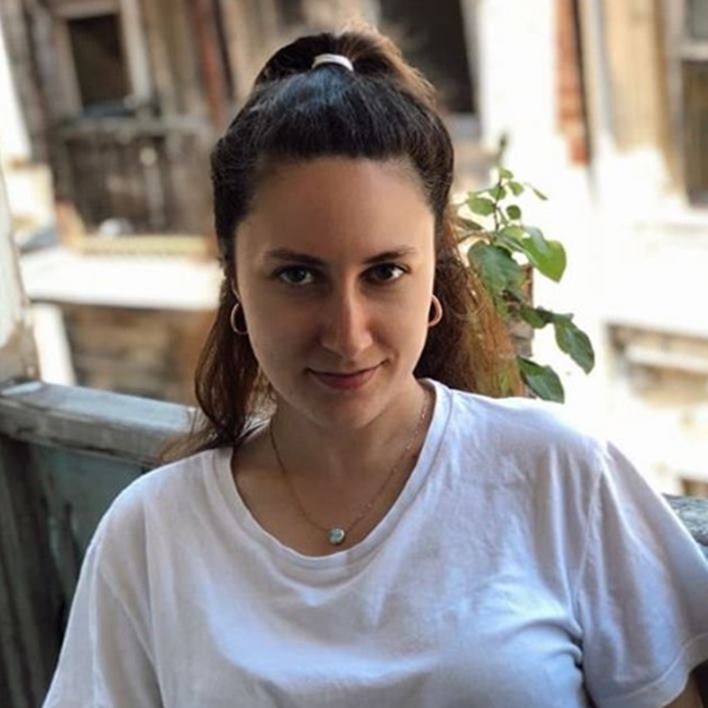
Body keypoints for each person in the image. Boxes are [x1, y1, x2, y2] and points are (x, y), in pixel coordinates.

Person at [44, 26, 708, 708]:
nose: (347, 334)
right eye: (297, 275)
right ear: (234, 278)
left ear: (433, 276)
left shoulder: (559, 475)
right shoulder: (151, 535)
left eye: (385, 272)